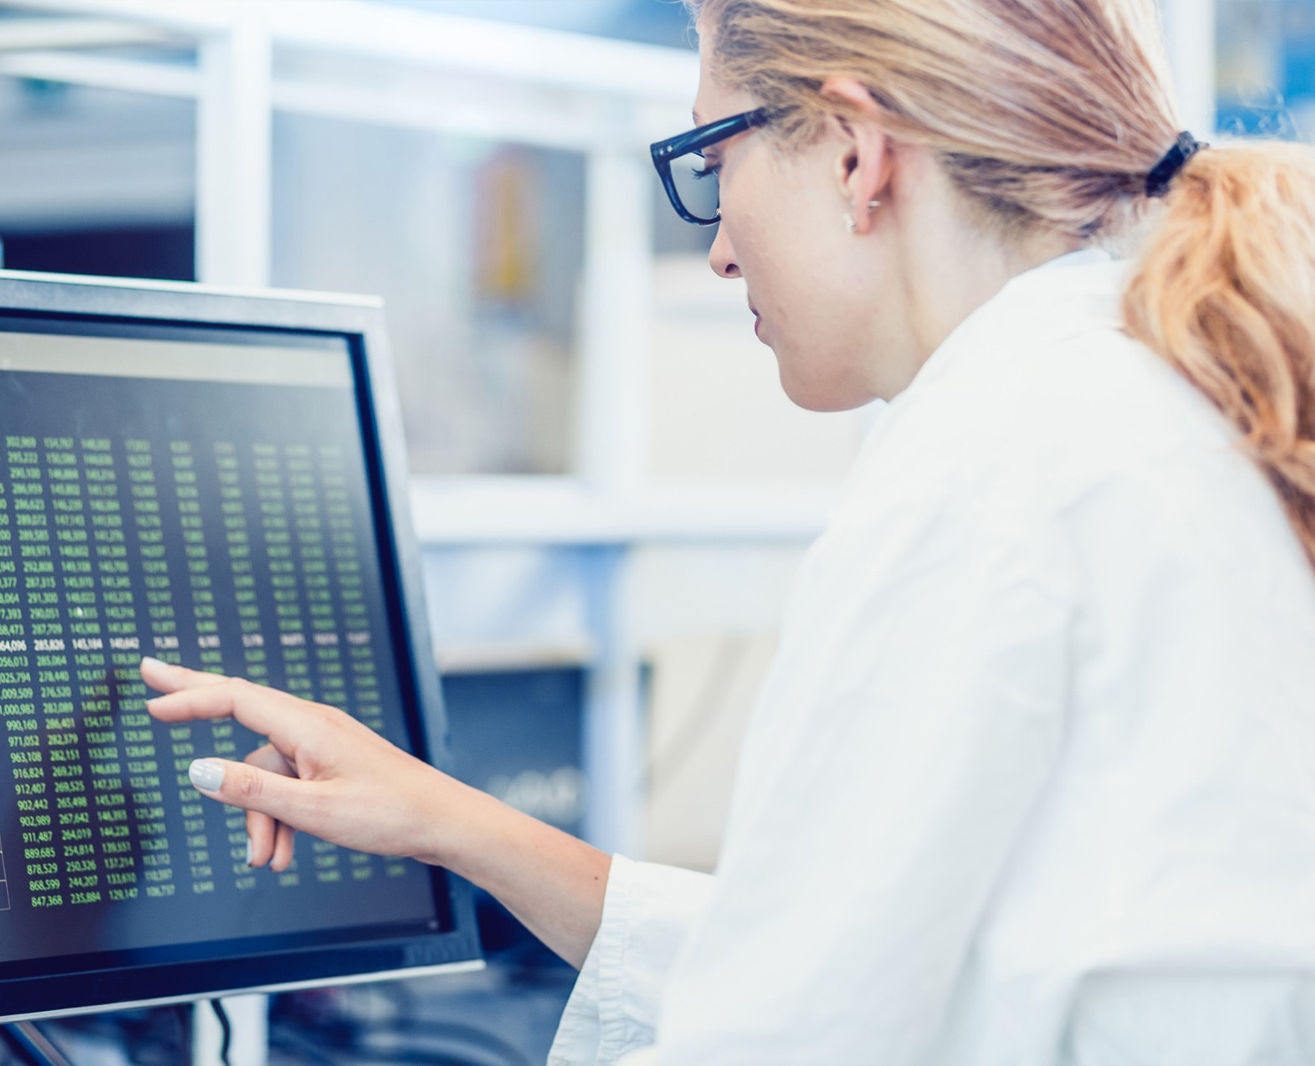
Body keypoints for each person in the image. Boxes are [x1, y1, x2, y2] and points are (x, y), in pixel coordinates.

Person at [142, 0, 1315, 1061]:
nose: (715, 245)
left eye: (712, 158)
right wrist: (457, 826)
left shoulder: (988, 472)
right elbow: (862, 957)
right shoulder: (1145, 387)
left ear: (856, 153)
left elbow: (787, 1038)